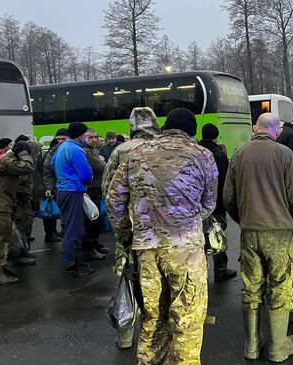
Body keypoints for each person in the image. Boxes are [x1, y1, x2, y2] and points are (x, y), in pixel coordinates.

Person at [107, 108, 218, 364]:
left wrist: (127, 233)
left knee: (153, 315)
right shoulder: (203, 155)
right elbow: (209, 203)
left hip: (146, 248)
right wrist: (186, 220)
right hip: (185, 248)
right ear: (192, 131)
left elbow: (114, 199)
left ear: (165, 127)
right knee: (187, 316)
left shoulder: (135, 154)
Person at [224, 113, 293, 362]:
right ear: (278, 131)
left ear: (254, 128)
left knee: (251, 287)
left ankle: (251, 345)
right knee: (280, 286)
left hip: (250, 232)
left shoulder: (239, 154)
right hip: (280, 232)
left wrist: (244, 220)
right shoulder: (284, 154)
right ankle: (278, 346)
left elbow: (228, 196)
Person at [101, 107, 160, 350]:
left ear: (132, 125)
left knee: (127, 278)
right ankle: (158, 333)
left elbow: (108, 190)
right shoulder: (166, 148)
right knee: (159, 282)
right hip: (163, 230)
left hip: (131, 228)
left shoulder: (121, 150)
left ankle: (125, 335)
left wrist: (121, 229)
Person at [53, 122, 94, 277]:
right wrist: (87, 176)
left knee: (71, 226)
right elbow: (85, 175)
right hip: (73, 192)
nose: (87, 137)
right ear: (80, 135)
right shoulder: (76, 150)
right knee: (74, 229)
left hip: (63, 191)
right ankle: (71, 264)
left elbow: (51, 164)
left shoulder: (62, 147)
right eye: (86, 134)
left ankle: (73, 259)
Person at [198, 123, 237, 282]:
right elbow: (225, 181)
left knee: (200, 239)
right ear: (216, 136)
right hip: (216, 204)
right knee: (217, 236)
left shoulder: (195, 151)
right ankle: (220, 270)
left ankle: (201, 271)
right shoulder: (218, 153)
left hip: (196, 206)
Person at [0, 141, 36, 285]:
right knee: (0, 239)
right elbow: (28, 167)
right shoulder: (6, 160)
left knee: (4, 238)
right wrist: (24, 153)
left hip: (3, 204)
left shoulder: (5, 160)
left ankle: (1, 268)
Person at [11, 135, 42, 266]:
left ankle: (25, 250)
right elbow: (18, 184)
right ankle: (19, 254)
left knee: (27, 223)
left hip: (26, 200)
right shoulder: (22, 165)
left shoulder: (30, 163)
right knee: (22, 225)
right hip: (20, 202)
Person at [82, 129, 107, 260]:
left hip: (96, 187)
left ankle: (94, 244)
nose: (93, 140)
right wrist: (101, 159)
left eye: (95, 137)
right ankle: (89, 249)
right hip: (91, 189)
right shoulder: (87, 152)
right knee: (93, 220)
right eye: (90, 137)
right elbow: (101, 166)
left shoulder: (93, 151)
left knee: (96, 219)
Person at [43, 128, 70, 241]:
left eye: (63, 139)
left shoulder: (72, 148)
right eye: (58, 139)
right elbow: (47, 170)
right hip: (61, 187)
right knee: (65, 214)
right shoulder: (54, 151)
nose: (60, 141)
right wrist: (49, 188)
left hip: (74, 186)